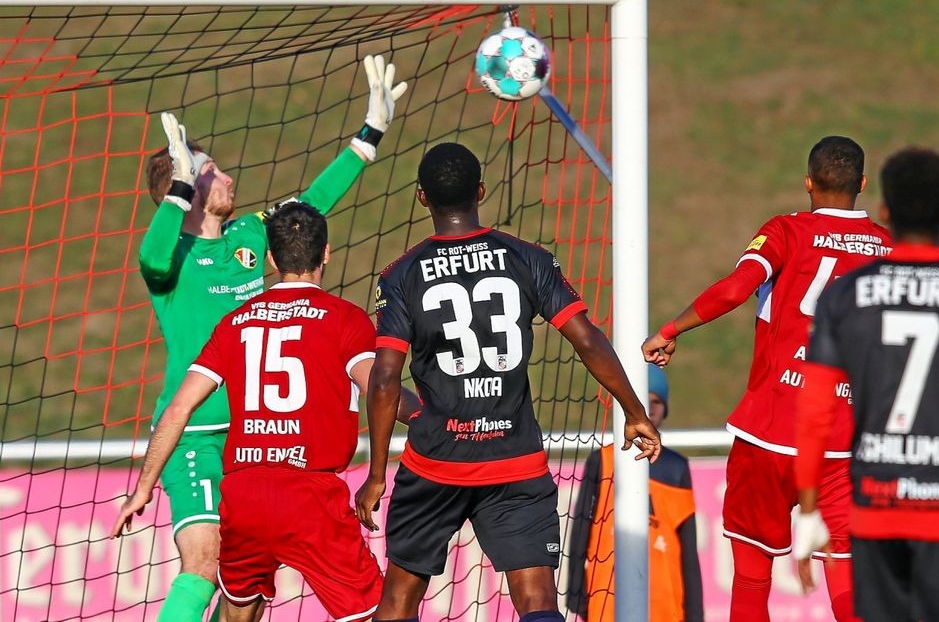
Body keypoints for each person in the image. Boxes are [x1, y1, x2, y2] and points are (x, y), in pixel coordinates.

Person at [133, 54, 406, 621]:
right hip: (196, 435)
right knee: (203, 563)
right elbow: (152, 257)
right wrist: (182, 184)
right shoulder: (173, 256)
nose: (228, 176)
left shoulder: (249, 235)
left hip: (258, 440)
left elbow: (310, 207)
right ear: (184, 189)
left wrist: (369, 135)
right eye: (211, 171)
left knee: (246, 592)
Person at [354, 142, 661, 622]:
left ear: (421, 198)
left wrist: (376, 475)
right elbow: (587, 340)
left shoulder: (401, 276)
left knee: (398, 600)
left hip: (436, 463)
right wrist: (634, 412)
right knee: (537, 600)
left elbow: (385, 379)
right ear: (480, 190)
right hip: (515, 459)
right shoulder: (527, 258)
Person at [642, 136, 891, 621]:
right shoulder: (886, 246)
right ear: (862, 185)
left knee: (753, 580)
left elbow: (737, 288)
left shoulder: (785, 230)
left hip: (769, 435)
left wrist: (671, 329)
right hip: (842, 441)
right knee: (847, 575)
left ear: (807, 183)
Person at [112, 202, 385, 622]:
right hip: (309, 496)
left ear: (271, 260)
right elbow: (380, 391)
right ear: (326, 252)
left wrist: (144, 487)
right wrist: (430, 414)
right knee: (374, 613)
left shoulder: (235, 322)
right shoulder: (345, 319)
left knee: (238, 610)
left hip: (243, 497)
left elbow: (177, 408)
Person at [792, 146, 939, 621]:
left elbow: (815, 412)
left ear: (883, 211)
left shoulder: (845, 297)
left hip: (876, 518)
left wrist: (810, 511)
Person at [566, 364, 703, 622]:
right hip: (607, 596)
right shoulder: (603, 460)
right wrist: (575, 591)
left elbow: (688, 551)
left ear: (665, 409)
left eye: (656, 401)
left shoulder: (677, 468)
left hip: (665, 602)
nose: (650, 408)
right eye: (642, 400)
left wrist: (695, 614)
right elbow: (581, 528)